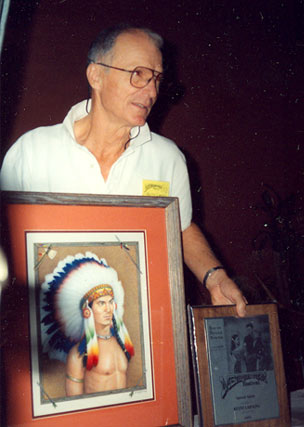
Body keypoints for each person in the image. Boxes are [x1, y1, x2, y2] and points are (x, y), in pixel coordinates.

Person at [0, 25, 247, 316]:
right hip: (48, 330)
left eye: (156, 78)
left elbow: (179, 228)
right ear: (96, 76)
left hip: (134, 327)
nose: (152, 91)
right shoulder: (32, 152)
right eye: (138, 74)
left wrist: (214, 276)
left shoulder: (167, 159)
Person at [41, 252, 134, 396]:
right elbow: (75, 406)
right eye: (101, 303)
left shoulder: (121, 344)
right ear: (87, 311)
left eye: (110, 302)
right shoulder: (78, 355)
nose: (108, 309)